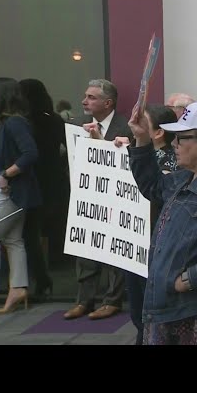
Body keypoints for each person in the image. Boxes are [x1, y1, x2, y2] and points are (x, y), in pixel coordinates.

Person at [127, 101, 197, 345]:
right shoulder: (184, 178)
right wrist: (142, 139)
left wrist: (191, 279)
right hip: (169, 306)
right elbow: (153, 186)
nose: (174, 144)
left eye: (181, 138)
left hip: (192, 312)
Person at [63, 79, 133, 321]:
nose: (84, 101)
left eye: (91, 97)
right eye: (86, 96)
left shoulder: (126, 127)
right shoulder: (76, 125)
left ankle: (112, 301)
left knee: (114, 250)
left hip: (116, 199)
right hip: (87, 197)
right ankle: (84, 300)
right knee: (85, 248)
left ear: (108, 102)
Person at [109, 104, 179, 345]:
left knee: (148, 312)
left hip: (152, 243)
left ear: (158, 133)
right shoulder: (137, 152)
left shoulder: (171, 162)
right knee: (138, 311)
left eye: (142, 123)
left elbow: (155, 190)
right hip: (135, 242)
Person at [0, 77, 42, 313]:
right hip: (5, 191)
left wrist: (7, 174)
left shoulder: (14, 123)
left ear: (3, 94)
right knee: (13, 241)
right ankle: (18, 289)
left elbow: (30, 153)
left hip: (12, 193)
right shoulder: (3, 123)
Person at [19, 78, 66, 298]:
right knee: (40, 230)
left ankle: (37, 279)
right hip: (52, 178)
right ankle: (47, 273)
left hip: (33, 180)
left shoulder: (25, 122)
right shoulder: (54, 119)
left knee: (28, 233)